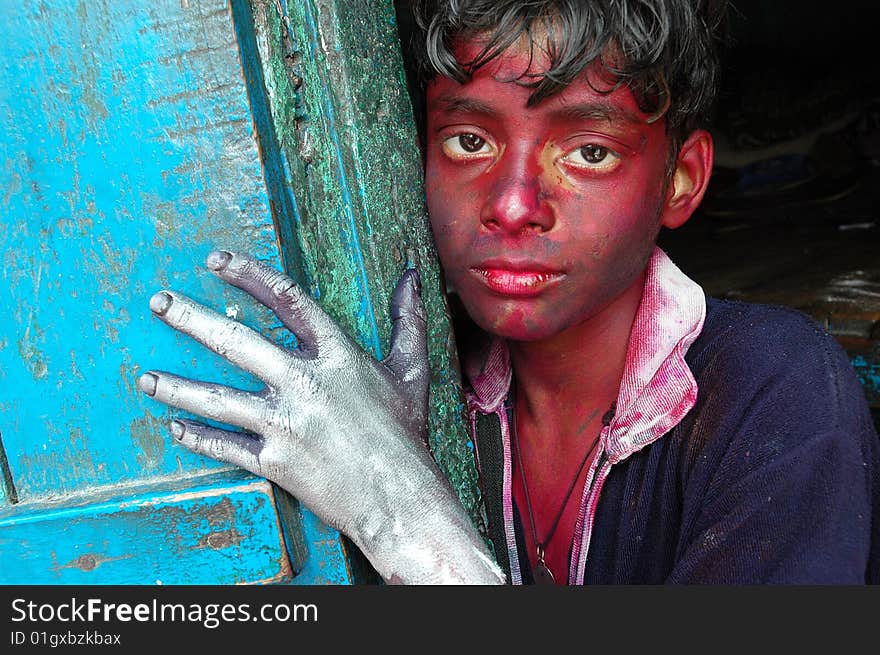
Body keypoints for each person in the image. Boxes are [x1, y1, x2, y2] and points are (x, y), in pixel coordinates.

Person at [136, 0, 879, 584]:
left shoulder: (776, 393)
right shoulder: (441, 382)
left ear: (681, 178)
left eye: (588, 151)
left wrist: (400, 512)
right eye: (469, 141)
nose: (515, 202)